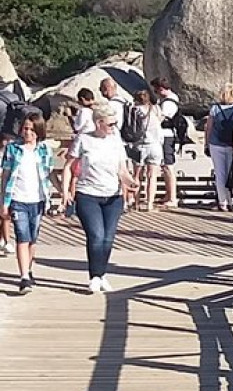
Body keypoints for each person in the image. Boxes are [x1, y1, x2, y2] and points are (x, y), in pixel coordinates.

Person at [61, 104, 139, 294]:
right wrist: (65, 192)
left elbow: (122, 169)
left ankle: (101, 274)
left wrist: (131, 182)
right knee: (96, 235)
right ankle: (95, 275)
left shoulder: (115, 141)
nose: (113, 126)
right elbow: (69, 165)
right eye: (110, 123)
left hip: (113, 196)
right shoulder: (84, 139)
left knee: (108, 238)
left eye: (115, 123)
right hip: (88, 194)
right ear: (99, 123)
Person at [1, 113, 54, 293]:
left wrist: (63, 192)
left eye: (32, 129)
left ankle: (29, 269)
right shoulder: (12, 149)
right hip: (17, 198)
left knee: (32, 238)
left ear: (39, 131)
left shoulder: (44, 149)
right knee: (22, 236)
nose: (28, 132)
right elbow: (6, 175)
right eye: (25, 128)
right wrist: (3, 202)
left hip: (37, 199)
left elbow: (49, 173)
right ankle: (23, 276)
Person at [204, 83, 233, 211]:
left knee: (220, 173)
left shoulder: (215, 108)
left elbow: (209, 127)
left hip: (216, 143)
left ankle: (222, 202)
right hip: (231, 143)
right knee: (230, 173)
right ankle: (230, 200)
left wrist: (206, 143)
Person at [129, 90, 163, 212]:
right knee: (152, 176)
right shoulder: (156, 109)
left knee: (137, 175)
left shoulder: (135, 110)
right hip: (155, 145)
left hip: (139, 145)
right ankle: (150, 204)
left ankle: (136, 202)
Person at [150, 78, 180, 208]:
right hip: (165, 136)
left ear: (161, 88)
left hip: (167, 136)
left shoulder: (169, 103)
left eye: (156, 90)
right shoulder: (169, 100)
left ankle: (173, 197)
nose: (156, 93)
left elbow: (160, 119)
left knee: (168, 166)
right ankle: (168, 194)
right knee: (165, 166)